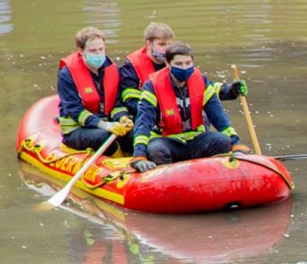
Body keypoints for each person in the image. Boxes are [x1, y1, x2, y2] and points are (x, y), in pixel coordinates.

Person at [130, 42, 249, 172]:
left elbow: (218, 116)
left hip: (196, 140)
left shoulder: (201, 81)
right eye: (179, 64)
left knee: (221, 141)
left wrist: (235, 145)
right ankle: (166, 178)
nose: (184, 68)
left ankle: (212, 175)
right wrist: (139, 155)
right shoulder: (153, 86)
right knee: (156, 149)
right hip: (167, 141)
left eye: (188, 63)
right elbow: (143, 122)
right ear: (168, 64)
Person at [118, 22, 246, 116]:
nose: (167, 49)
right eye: (162, 44)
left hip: (177, 114)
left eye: (169, 44)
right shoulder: (132, 67)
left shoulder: (177, 61)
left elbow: (200, 86)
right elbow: (131, 103)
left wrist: (231, 90)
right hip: (152, 117)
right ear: (148, 44)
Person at [57, 27, 133, 154]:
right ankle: (116, 161)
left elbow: (117, 104)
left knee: (133, 133)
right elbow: (75, 111)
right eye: (93, 50)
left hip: (106, 122)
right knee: (104, 136)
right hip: (77, 129)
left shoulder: (112, 70)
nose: (98, 54)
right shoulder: (67, 74)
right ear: (81, 51)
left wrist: (122, 118)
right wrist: (105, 125)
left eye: (101, 49)